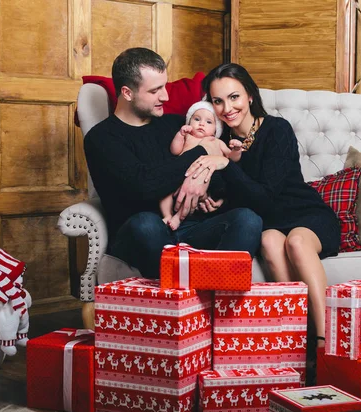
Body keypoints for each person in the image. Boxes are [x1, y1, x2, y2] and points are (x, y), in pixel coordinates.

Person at [189, 63, 341, 357]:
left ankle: (325, 343)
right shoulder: (219, 144)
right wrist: (214, 199)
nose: (226, 108)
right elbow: (234, 196)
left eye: (233, 97)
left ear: (249, 95)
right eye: (218, 101)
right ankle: (297, 340)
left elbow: (266, 196)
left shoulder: (276, 129)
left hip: (304, 213)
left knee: (296, 242)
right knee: (269, 241)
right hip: (270, 223)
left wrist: (226, 167)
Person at [83, 49, 263, 279]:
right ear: (127, 93)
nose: (165, 97)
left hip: (190, 227)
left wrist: (214, 193)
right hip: (142, 234)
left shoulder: (174, 124)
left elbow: (217, 165)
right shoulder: (102, 138)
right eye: (155, 90)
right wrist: (201, 151)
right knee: (146, 223)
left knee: (247, 219)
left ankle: (214, 293)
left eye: (165, 86)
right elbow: (143, 186)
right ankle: (193, 288)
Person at [162, 101, 242, 230]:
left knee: (194, 196)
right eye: (197, 119)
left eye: (209, 122)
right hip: (181, 173)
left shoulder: (216, 141)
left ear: (216, 129)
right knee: (164, 192)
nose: (201, 124)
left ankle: (178, 217)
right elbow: (175, 150)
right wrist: (180, 135)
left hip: (202, 178)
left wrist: (236, 150)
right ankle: (167, 215)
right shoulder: (188, 136)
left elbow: (231, 158)